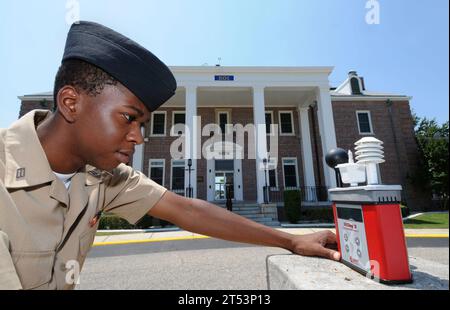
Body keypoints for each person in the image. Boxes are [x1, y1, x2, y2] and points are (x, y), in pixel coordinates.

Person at [0, 21, 340, 290]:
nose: (138, 137)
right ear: (71, 103)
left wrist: (292, 241)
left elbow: (186, 208)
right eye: (129, 118)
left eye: (145, 124)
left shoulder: (101, 175)